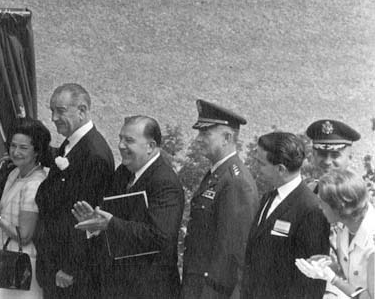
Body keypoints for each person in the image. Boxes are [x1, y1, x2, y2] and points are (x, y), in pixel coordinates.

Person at [73, 115, 184, 298]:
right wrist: (93, 225)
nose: (121, 145)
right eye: (120, 138)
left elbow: (161, 237)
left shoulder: (165, 182)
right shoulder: (123, 173)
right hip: (119, 286)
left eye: (129, 140)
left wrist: (110, 224)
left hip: (149, 289)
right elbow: (109, 217)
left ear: (150, 146)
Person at [34, 83, 114, 298]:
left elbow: (86, 218)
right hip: (53, 262)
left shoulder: (94, 154)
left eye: (60, 111)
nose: (53, 118)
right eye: (52, 111)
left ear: (82, 110)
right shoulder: (70, 146)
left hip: (71, 275)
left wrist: (70, 267)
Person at [181, 100, 259, 299]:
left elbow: (232, 253)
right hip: (196, 285)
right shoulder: (217, 174)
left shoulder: (236, 182)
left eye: (205, 133)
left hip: (212, 291)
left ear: (227, 137)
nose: (198, 139)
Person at [242, 132, 330, 299]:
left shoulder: (311, 209)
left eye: (261, 164)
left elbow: (312, 281)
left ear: (280, 169)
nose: (256, 168)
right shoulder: (268, 198)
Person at [0, 118, 50, 297]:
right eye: (13, 146)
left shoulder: (35, 184)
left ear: (37, 151)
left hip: (24, 264)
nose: (16, 152)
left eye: (23, 148)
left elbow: (24, 235)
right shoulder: (14, 173)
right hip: (7, 259)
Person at [295, 169, 375, 299]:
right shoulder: (344, 228)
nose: (319, 207)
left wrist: (333, 279)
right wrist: (330, 267)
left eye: (322, 202)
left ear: (339, 207)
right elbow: (353, 274)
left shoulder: (371, 242)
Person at [304, 119, 360, 191]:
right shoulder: (310, 191)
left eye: (335, 155)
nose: (327, 162)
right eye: (322, 154)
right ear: (314, 155)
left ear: (349, 158)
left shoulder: (357, 194)